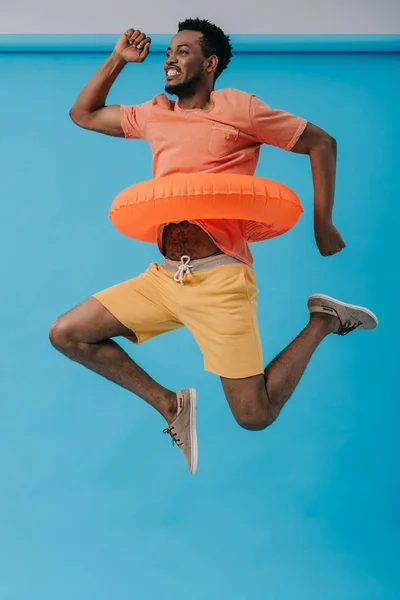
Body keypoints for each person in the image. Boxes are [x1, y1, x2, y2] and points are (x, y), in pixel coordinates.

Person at [49, 19, 378, 475]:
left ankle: (323, 321)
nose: (169, 58)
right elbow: (82, 114)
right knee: (67, 333)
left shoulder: (239, 107)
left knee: (254, 415)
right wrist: (118, 59)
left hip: (220, 278)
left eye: (182, 51)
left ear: (209, 63)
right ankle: (170, 405)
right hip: (164, 277)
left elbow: (322, 142)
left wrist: (322, 222)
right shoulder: (154, 112)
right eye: (168, 51)